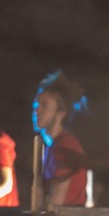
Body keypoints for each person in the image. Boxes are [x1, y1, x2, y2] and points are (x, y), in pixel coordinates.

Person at [32, 70, 89, 207]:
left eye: (44, 105)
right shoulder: (54, 146)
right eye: (36, 105)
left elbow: (55, 203)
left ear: (61, 112)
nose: (36, 110)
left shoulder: (66, 146)